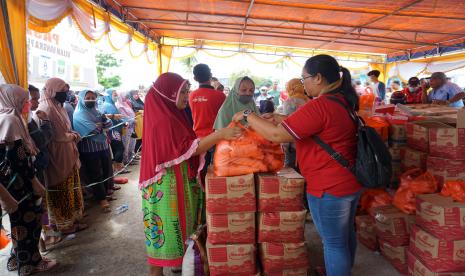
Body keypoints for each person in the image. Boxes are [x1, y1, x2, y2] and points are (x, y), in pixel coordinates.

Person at [232, 54, 362, 276]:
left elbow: (276, 135)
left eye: (305, 79)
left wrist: (248, 115)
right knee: (345, 234)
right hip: (350, 182)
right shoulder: (342, 101)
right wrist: (280, 117)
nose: (304, 84)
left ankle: (338, 270)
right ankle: (341, 269)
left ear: (318, 78)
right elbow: (312, 128)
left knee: (333, 243)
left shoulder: (320, 105)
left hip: (328, 187)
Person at [139, 72, 241, 276]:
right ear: (168, 94)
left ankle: (181, 262)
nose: (188, 96)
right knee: (164, 230)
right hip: (165, 184)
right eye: (183, 92)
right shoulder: (163, 121)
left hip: (177, 178)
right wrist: (220, 135)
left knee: (179, 226)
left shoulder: (172, 114)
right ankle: (157, 272)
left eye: (187, 90)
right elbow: (189, 148)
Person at [0, 84, 58, 275]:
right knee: (29, 223)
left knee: (18, 224)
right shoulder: (10, 120)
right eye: (24, 100)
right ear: (14, 100)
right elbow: (18, 158)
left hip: (12, 185)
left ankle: (16, 259)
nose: (28, 103)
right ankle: (30, 264)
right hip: (22, 184)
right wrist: (34, 181)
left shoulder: (6, 116)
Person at [38, 78, 86, 235]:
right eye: (62, 91)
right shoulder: (46, 108)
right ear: (52, 91)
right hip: (57, 156)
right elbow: (56, 136)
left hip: (67, 152)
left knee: (70, 185)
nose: (65, 94)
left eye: (66, 91)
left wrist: (71, 135)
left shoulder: (60, 107)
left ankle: (73, 219)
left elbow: (66, 129)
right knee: (61, 188)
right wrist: (72, 136)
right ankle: (64, 224)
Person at [74, 90, 116, 213]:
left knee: (105, 171)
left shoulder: (97, 111)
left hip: (103, 146)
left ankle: (104, 194)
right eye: (88, 97)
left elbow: (109, 124)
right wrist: (100, 124)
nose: (91, 100)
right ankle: (101, 199)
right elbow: (94, 130)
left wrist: (100, 124)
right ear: (82, 99)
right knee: (95, 174)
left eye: (93, 97)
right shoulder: (79, 114)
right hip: (89, 150)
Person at [189, 64, 226, 184]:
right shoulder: (220, 96)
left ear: (195, 78)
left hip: (198, 140)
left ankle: (204, 196)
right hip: (216, 138)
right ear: (210, 76)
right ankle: (214, 197)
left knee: (201, 170)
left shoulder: (191, 95)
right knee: (217, 171)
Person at [100, 89, 129, 174]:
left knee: (117, 148)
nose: (116, 96)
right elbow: (115, 118)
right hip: (113, 131)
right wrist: (123, 122)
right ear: (109, 95)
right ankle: (118, 168)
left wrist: (123, 123)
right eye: (114, 95)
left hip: (115, 130)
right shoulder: (108, 105)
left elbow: (118, 117)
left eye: (116, 94)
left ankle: (118, 168)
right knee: (119, 148)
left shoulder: (111, 104)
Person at [116, 92, 137, 165]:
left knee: (132, 144)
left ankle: (131, 158)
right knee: (126, 144)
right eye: (124, 96)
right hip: (126, 128)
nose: (126, 97)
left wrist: (133, 119)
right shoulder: (119, 105)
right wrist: (133, 120)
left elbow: (131, 113)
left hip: (131, 127)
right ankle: (126, 160)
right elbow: (124, 116)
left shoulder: (125, 104)